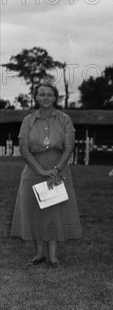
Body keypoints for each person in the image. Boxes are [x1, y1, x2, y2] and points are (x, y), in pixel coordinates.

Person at [11, 83, 82, 267]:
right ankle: (39, 253)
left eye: (49, 94)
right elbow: (24, 149)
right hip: (33, 170)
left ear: (55, 97)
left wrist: (56, 169)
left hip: (58, 169)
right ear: (35, 97)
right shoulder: (28, 120)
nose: (45, 97)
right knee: (35, 210)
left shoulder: (64, 119)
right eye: (41, 94)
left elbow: (69, 147)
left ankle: (53, 256)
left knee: (53, 211)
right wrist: (40, 170)